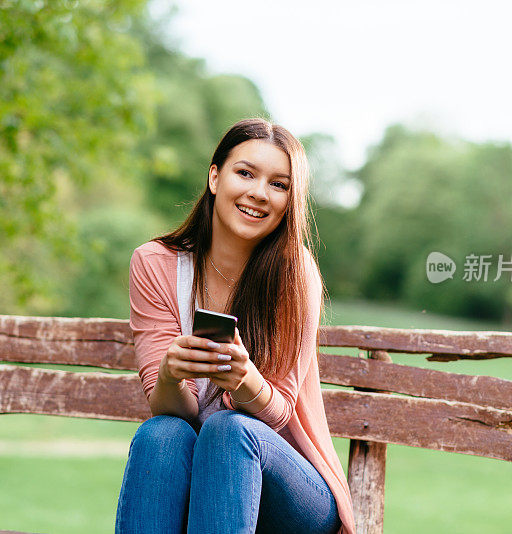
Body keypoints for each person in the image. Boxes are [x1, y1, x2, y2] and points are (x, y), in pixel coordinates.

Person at [115, 118, 355, 534]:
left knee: (230, 430)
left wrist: (245, 381)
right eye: (245, 173)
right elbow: (174, 410)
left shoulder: (294, 273)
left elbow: (278, 414)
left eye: (279, 184)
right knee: (162, 434)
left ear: (289, 200)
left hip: (292, 490)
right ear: (214, 177)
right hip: (207, 485)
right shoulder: (155, 264)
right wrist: (170, 375)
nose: (259, 194)